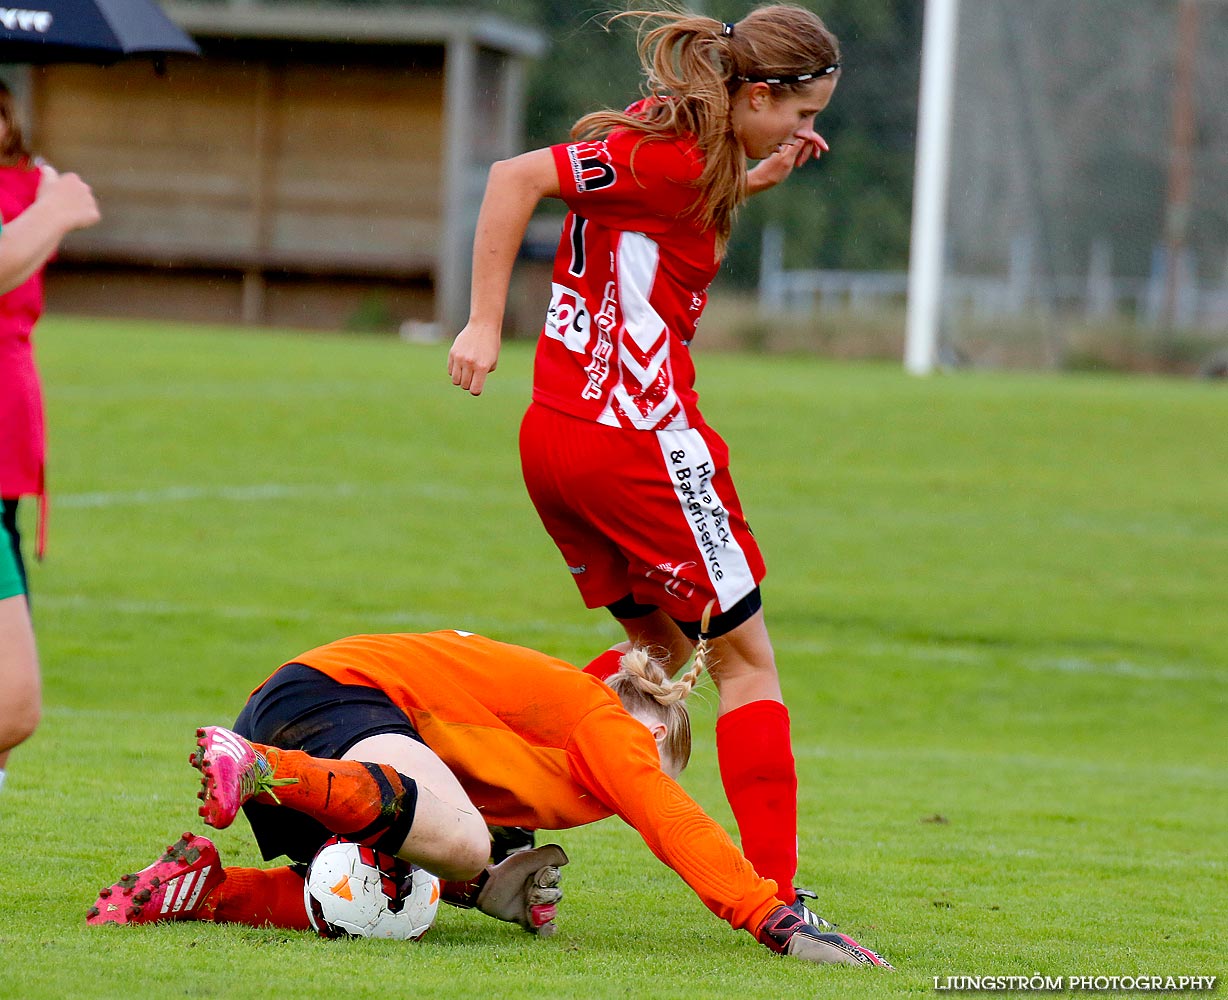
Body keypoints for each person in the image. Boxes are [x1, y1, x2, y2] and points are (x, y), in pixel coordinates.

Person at [446, 5, 839, 922]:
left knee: (655, 658)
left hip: (557, 442)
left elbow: (659, 210)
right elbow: (512, 178)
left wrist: (760, 175)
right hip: (640, 445)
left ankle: (473, 811)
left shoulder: (673, 136)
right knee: (747, 665)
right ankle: (775, 895)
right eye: (801, 114)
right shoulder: (675, 153)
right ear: (758, 92)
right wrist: (479, 319)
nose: (806, 131)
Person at [86, 628, 891, 968]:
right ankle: (257, 764)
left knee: (401, 891)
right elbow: (671, 821)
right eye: (649, 766)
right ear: (644, 733)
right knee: (463, 848)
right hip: (332, 702)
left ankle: (205, 894)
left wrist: (492, 887)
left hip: (319, 718)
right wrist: (772, 915)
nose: (633, 789)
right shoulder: (599, 719)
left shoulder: (542, 740)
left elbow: (436, 805)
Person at [0, 81, 100, 795]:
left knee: (12, 698)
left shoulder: (22, 184)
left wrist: (47, 212)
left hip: (11, 422)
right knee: (12, 698)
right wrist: (53, 210)